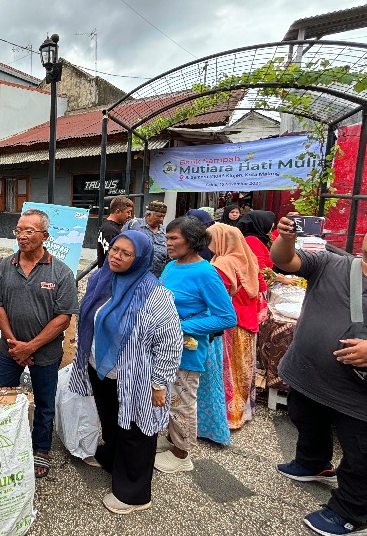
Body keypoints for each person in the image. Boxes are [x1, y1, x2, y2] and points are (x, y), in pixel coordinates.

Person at [69, 230, 182, 514]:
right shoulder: (101, 280)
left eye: (125, 253)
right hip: (101, 370)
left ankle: (135, 493)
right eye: (114, 249)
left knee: (136, 430)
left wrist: (159, 384)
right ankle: (112, 460)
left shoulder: (156, 295)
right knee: (111, 421)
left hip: (136, 377)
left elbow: (169, 343)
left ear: (140, 258)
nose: (116, 256)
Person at [271, 217, 367, 536]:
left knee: (360, 454)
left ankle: (351, 512)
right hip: (309, 375)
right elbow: (285, 261)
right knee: (304, 417)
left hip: (357, 395)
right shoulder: (333, 263)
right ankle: (314, 463)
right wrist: (286, 237)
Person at [0, 208, 79, 479]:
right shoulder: (6, 266)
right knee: (1, 397)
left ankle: (41, 449)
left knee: (44, 402)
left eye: (29, 231)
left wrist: (31, 347)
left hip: (46, 353)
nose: (22, 236)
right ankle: (1, 443)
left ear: (45, 235)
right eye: (18, 230)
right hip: (10, 350)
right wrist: (16, 344)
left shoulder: (61, 272)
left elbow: (63, 318)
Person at [155, 216, 236, 473]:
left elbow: (226, 317)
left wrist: (180, 326)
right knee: (169, 396)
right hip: (164, 348)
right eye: (167, 238)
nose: (167, 243)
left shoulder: (206, 272)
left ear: (191, 241)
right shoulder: (172, 266)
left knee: (181, 399)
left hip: (187, 350)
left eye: (173, 238)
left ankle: (182, 454)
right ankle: (171, 439)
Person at [206, 223, 262, 430]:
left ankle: (229, 416)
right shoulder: (247, 257)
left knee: (227, 370)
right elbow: (261, 287)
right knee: (243, 368)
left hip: (230, 323)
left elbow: (214, 296)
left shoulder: (222, 264)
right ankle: (242, 411)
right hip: (248, 320)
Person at [122, 200, 169, 277]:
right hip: (135, 275)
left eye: (163, 216)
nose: (161, 219)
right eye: (159, 216)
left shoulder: (165, 231)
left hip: (157, 277)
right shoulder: (134, 225)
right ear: (148, 215)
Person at [96, 196, 134, 268]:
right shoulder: (110, 230)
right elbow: (112, 257)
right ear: (118, 212)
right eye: (128, 212)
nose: (130, 215)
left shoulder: (110, 227)